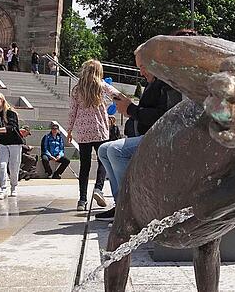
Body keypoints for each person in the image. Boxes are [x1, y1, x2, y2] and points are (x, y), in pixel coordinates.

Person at [95, 51, 180, 220]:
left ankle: (131, 207)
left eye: (143, 67)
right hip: (148, 135)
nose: (141, 72)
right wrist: (129, 109)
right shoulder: (152, 83)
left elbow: (165, 115)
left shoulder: (166, 83)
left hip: (161, 138)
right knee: (104, 149)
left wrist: (131, 109)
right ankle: (121, 203)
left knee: (115, 151)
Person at [68, 60, 120, 211]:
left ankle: (82, 200)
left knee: (84, 165)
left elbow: (72, 111)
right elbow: (116, 94)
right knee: (102, 161)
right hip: (99, 130)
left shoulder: (77, 89)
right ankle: (98, 188)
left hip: (83, 132)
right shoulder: (102, 86)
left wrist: (70, 130)